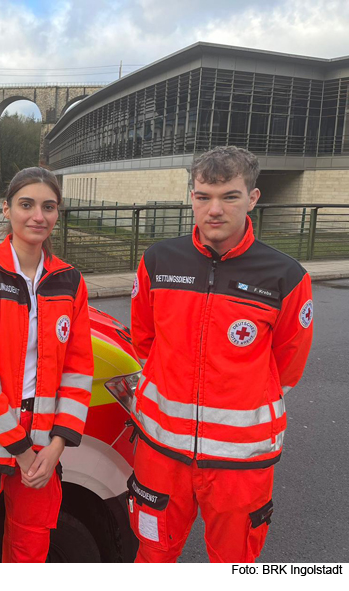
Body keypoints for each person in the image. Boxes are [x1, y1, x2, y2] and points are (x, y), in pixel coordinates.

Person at [129, 146, 314, 562]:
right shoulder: (158, 260)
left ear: (252, 198)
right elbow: (144, 341)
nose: (214, 209)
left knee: (234, 566)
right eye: (203, 196)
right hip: (161, 451)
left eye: (229, 196)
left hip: (240, 462)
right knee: (152, 556)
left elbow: (287, 366)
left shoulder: (285, 276)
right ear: (191, 197)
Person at [0, 167, 94, 563]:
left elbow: (78, 371)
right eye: (26, 205)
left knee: (31, 546)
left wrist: (56, 445)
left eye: (48, 206)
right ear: (6, 209)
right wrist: (22, 450)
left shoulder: (70, 282)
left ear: (58, 214)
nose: (37, 216)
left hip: (42, 441)